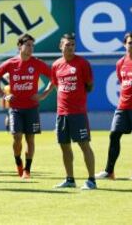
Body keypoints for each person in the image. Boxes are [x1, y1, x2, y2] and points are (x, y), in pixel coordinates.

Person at [96, 32, 132, 180]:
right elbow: (122, 81)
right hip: (122, 106)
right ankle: (109, 171)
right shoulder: (120, 63)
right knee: (114, 135)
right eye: (130, 42)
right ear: (125, 44)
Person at [0, 34, 51, 179]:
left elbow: (53, 77)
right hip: (15, 108)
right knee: (17, 137)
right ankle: (18, 162)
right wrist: (4, 95)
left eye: (32, 45)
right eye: (28, 45)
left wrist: (44, 94)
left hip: (32, 107)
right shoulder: (10, 63)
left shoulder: (37, 63)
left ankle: (27, 170)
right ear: (20, 46)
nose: (31, 48)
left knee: (30, 139)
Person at [44, 33, 96, 190]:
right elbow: (55, 84)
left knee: (84, 145)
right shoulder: (56, 65)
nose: (70, 47)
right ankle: (70, 179)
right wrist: (42, 95)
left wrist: (78, 97)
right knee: (64, 146)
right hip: (61, 113)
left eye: (73, 45)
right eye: (67, 45)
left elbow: (89, 85)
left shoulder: (82, 63)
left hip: (78, 113)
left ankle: (92, 180)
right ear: (61, 46)